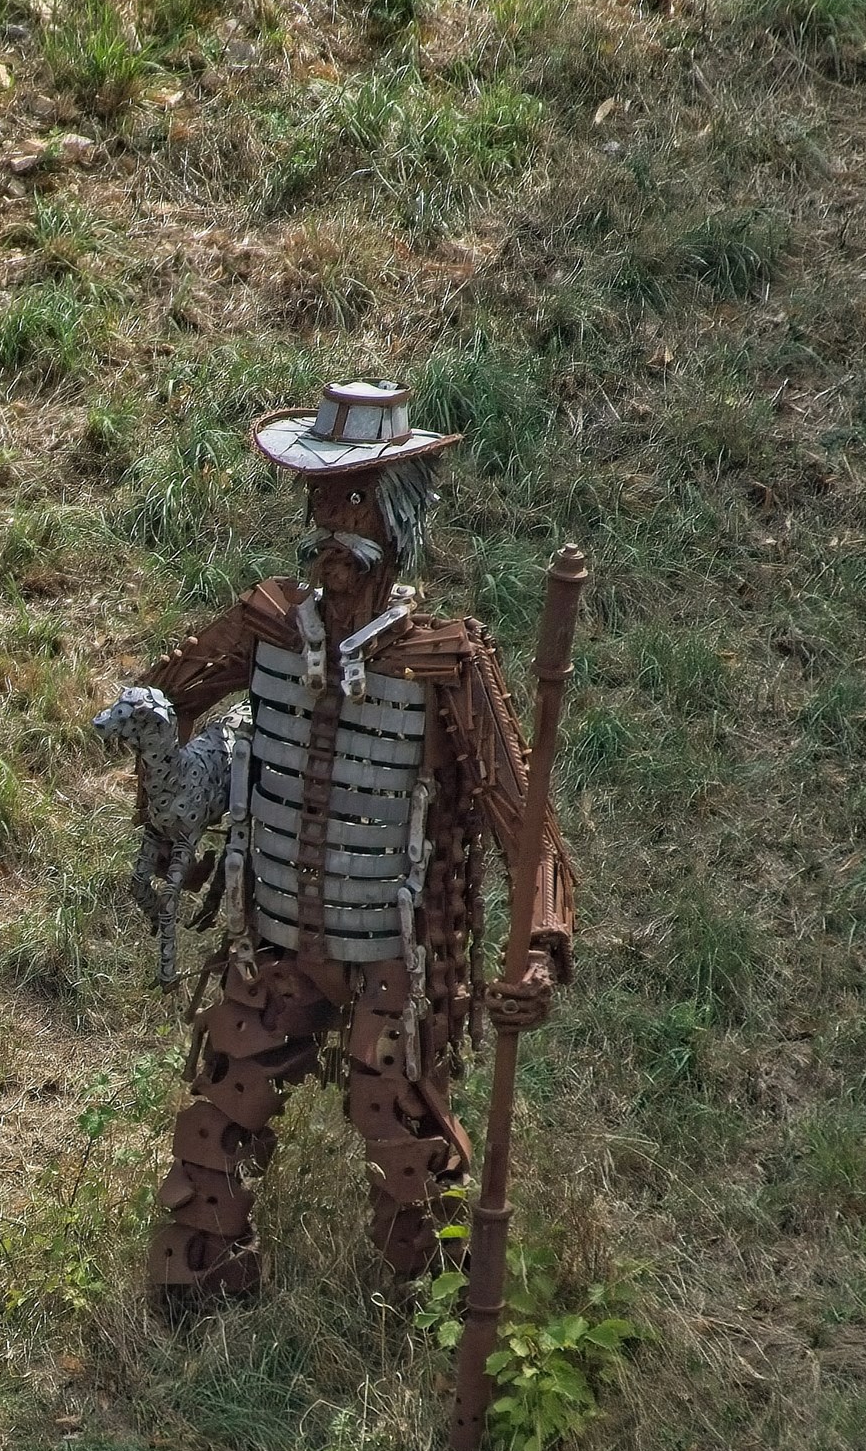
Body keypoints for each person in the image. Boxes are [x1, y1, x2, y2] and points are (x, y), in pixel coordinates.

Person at [132, 378, 574, 1316]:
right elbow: (162, 707)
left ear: (399, 515)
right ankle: (201, 1295)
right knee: (217, 1124)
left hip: (396, 960)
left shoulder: (446, 661)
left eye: (356, 498)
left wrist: (537, 949)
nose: (333, 521)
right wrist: (161, 770)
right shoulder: (264, 627)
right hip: (278, 943)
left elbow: (522, 824)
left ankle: (423, 1320)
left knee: (404, 1133)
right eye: (323, 499)